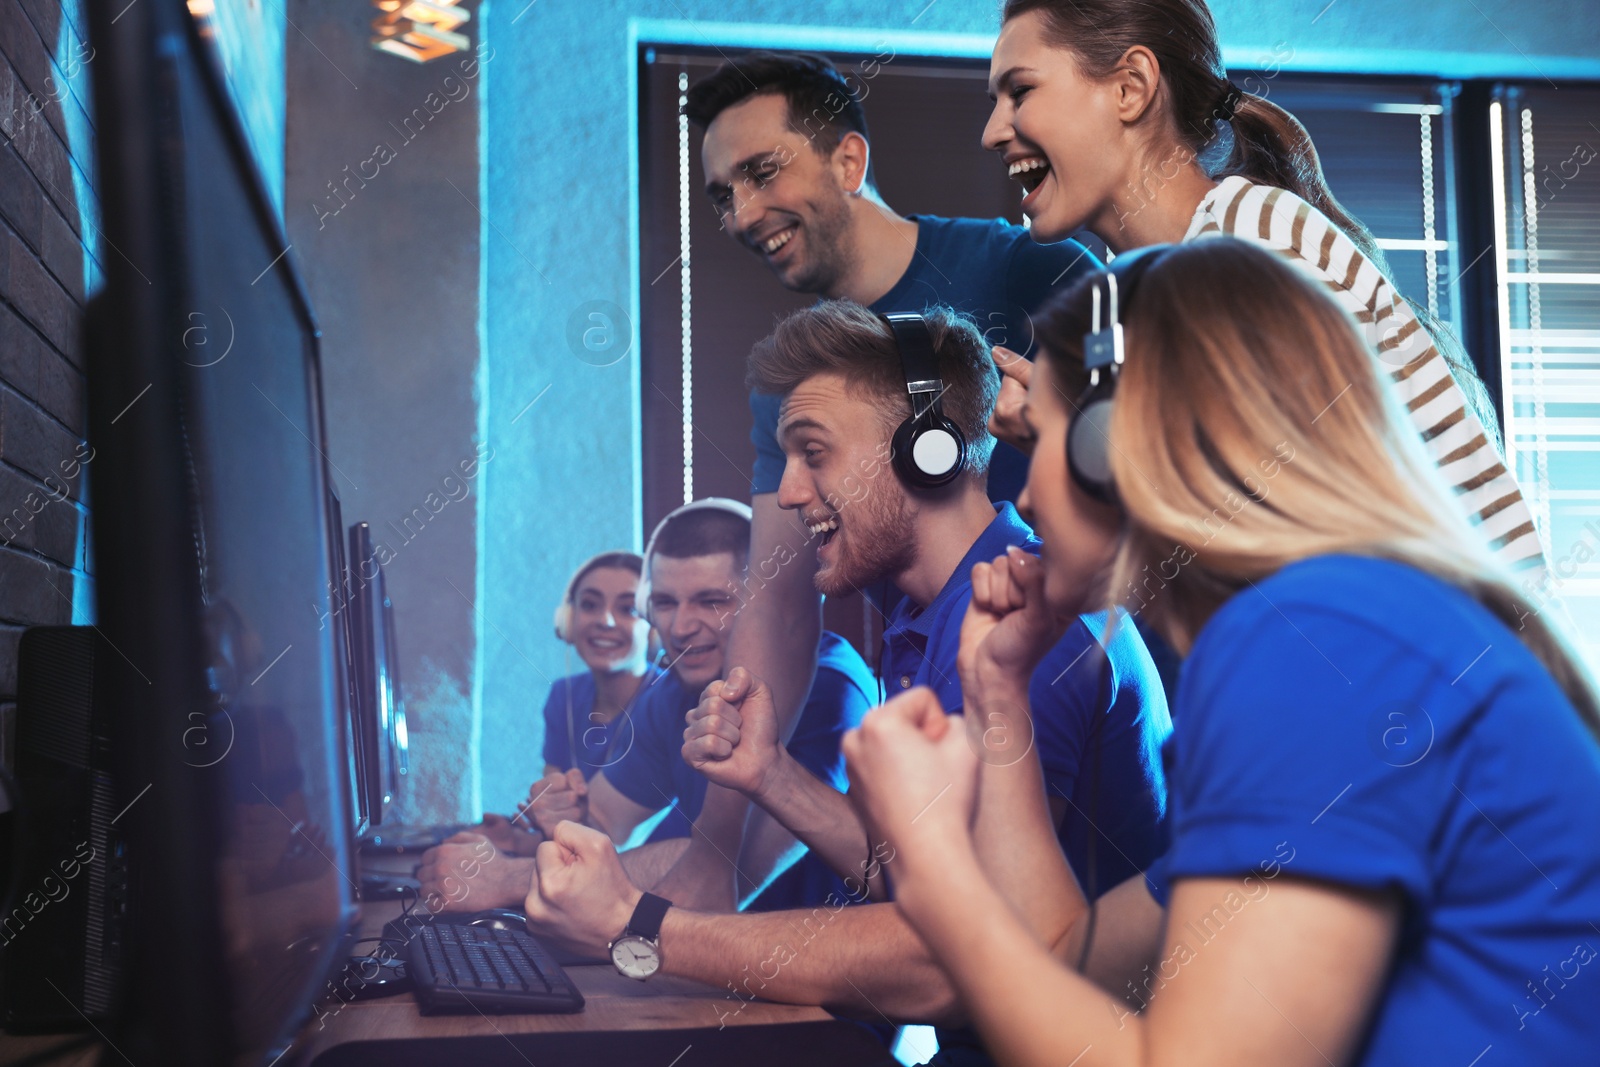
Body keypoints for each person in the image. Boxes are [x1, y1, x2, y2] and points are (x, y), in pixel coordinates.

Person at [842, 239, 1600, 1067]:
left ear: (1112, 450)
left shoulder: (1313, 642)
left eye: (1047, 437)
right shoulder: (1333, 627)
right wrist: (999, 694)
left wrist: (932, 865)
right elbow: (1067, 958)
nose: (1024, 493)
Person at [519, 304, 1171, 1064]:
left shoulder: (1030, 622)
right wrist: (772, 774)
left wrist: (638, 924)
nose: (790, 493)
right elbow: (922, 867)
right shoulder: (924, 616)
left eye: (815, 453)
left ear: (927, 450)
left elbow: (944, 960)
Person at [664, 48, 1109, 909]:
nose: (743, 213)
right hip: (941, 667)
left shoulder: (1030, 271)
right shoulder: (796, 387)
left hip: (1061, 672)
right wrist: (715, 852)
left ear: (849, 161)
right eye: (723, 195)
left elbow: (1154, 447)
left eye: (761, 173)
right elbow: (780, 599)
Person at [978, 0, 1547, 589]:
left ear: (1131, 88)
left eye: (1020, 91)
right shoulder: (1134, 309)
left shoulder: (1253, 238)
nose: (993, 131)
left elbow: (1314, 521)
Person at [418, 500, 876, 914]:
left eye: (712, 601)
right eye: (663, 602)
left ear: (762, 606)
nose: (680, 626)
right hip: (706, 962)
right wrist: (574, 820)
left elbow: (723, 870)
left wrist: (508, 879)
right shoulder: (673, 689)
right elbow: (607, 820)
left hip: (819, 985)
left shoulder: (829, 689)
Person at [471, 551, 659, 859]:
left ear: (654, 626)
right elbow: (565, 829)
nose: (605, 620)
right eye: (589, 605)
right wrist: (515, 840)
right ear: (567, 620)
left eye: (628, 609)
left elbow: (616, 843)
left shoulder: (668, 698)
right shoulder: (564, 696)